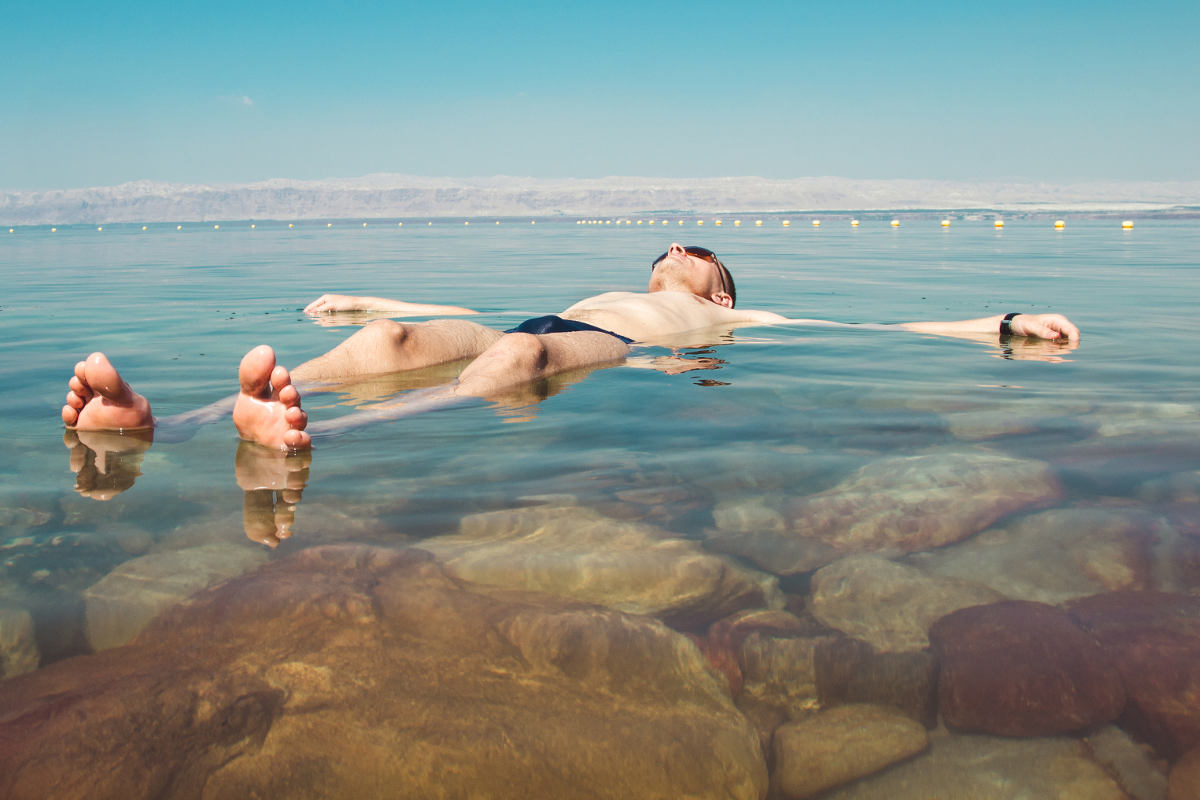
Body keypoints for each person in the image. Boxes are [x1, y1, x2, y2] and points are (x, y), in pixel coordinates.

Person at [61, 243, 1081, 451]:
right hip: (539, 318)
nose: (674, 248)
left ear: (719, 288)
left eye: (693, 249)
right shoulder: (610, 283)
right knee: (395, 338)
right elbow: (467, 306)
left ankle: (302, 435)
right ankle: (169, 425)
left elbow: (873, 330)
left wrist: (1000, 324)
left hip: (597, 346)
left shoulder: (733, 322)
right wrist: (367, 298)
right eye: (668, 245)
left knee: (518, 365)